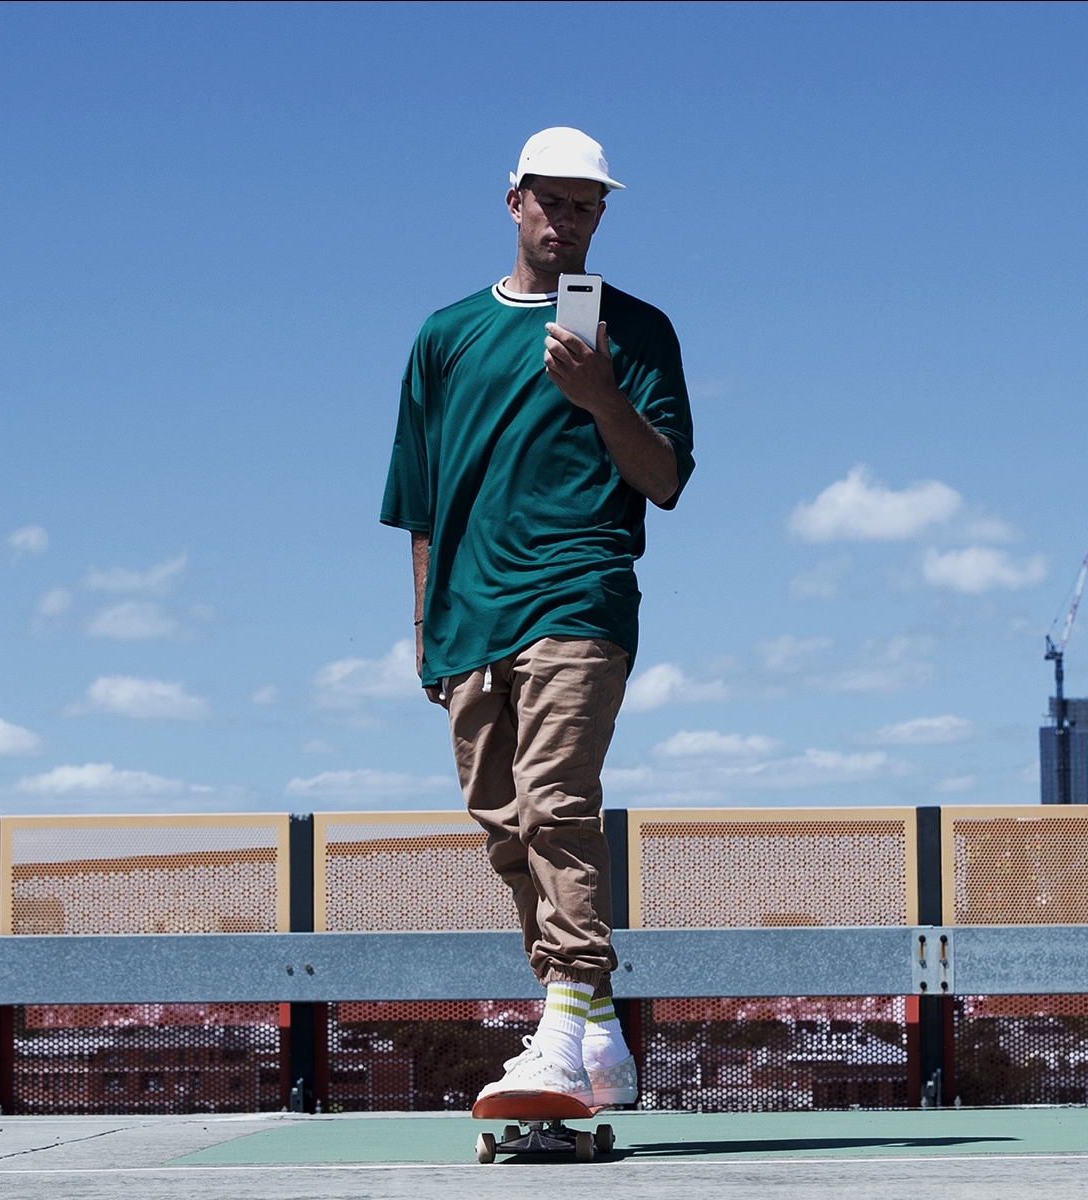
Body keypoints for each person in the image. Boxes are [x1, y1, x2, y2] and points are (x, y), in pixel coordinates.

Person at [380, 127, 694, 1108]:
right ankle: (596, 1034)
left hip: (579, 596)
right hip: (471, 618)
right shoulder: (445, 337)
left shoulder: (634, 331)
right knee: (508, 830)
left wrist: (601, 397)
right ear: (513, 201)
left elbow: (664, 479)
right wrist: (427, 631)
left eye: (585, 204)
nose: (566, 218)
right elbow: (421, 501)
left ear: (603, 214)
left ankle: (560, 1027)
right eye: (550, 200)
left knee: (556, 803)